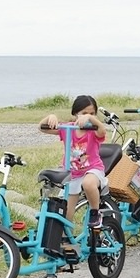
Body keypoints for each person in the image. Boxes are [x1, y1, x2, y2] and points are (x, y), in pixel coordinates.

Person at [38, 95, 108, 229]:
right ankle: (67, 242)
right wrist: (50, 117)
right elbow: (42, 128)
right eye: (84, 113)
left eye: (92, 113)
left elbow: (102, 130)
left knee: (88, 184)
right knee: (65, 216)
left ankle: (95, 212)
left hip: (92, 169)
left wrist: (91, 119)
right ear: (76, 114)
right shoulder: (67, 128)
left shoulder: (93, 130)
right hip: (73, 174)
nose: (87, 116)